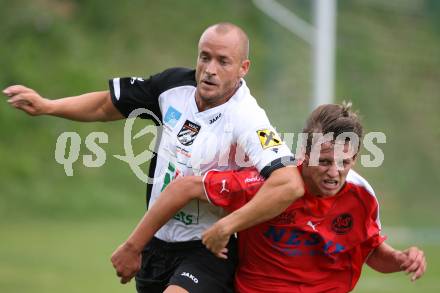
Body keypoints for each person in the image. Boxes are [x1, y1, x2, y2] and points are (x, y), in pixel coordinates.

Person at [3, 22, 304, 293]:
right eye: (204, 57)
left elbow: (288, 183)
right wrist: (48, 106)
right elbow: (105, 107)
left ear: (243, 68)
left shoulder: (248, 119)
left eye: (223, 61)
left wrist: (227, 227)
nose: (210, 69)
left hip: (208, 250)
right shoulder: (173, 87)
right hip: (156, 242)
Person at [111, 103, 426, 292]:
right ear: (304, 152)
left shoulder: (361, 196)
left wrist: (401, 260)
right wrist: (133, 246)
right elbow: (183, 188)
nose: (335, 172)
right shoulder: (268, 182)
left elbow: (372, 252)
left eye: (345, 162)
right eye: (325, 161)